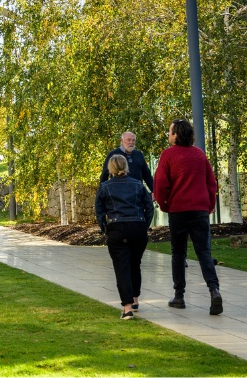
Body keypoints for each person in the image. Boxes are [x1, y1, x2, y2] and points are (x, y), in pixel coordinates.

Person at [153, 118, 223, 315]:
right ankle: (214, 289)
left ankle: (179, 296)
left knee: (178, 253)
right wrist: (208, 206)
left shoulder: (168, 155)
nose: (168, 134)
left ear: (176, 134)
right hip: (199, 210)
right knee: (204, 253)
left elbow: (160, 184)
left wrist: (165, 205)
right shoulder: (200, 155)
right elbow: (211, 183)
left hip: (178, 210)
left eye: (170, 131)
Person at [96, 155, 154, 320]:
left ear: (111, 169)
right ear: (126, 168)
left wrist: (105, 228)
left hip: (117, 228)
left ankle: (127, 308)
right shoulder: (138, 185)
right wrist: (145, 224)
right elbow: (149, 207)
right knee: (135, 264)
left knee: (122, 268)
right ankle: (135, 299)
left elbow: (99, 212)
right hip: (138, 227)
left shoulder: (105, 187)